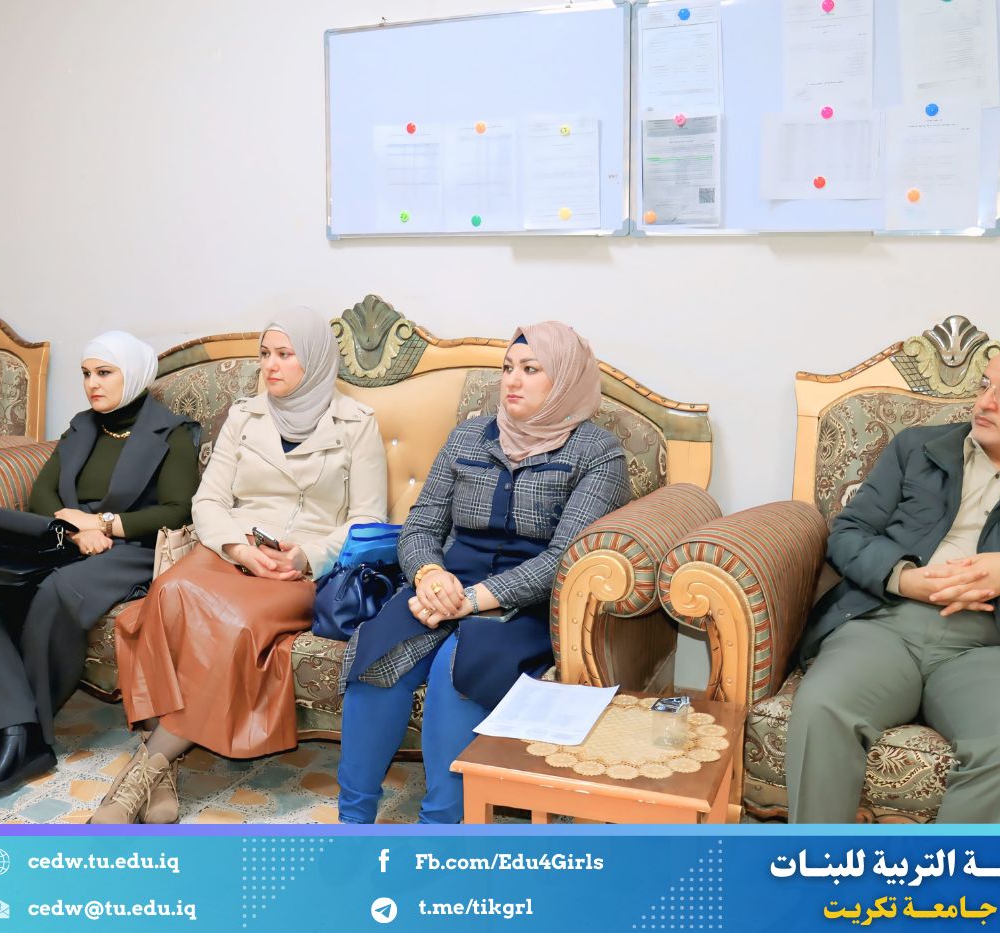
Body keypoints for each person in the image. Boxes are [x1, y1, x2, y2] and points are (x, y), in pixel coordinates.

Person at [788, 348, 1000, 823]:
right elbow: (849, 532)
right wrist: (905, 578)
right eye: (985, 385)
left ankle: (951, 873)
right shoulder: (916, 446)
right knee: (821, 708)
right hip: (884, 623)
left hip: (991, 642)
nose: (985, 401)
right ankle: (817, 863)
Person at [97, 307, 388, 824]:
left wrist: (305, 555)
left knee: (235, 624)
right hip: (233, 548)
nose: (270, 365)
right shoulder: (244, 415)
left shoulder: (356, 424)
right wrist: (237, 548)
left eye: (285, 354)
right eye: (265, 354)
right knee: (169, 592)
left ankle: (141, 774)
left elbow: (368, 520)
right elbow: (208, 501)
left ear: (315, 359)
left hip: (298, 567)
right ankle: (161, 771)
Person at [336, 322, 632, 824]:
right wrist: (429, 574)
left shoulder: (597, 454)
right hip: (443, 585)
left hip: (527, 604)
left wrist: (472, 601)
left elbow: (561, 560)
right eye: (508, 368)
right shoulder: (468, 437)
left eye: (531, 369)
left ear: (564, 379)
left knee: (461, 669)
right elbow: (421, 526)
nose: (512, 380)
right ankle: (353, 819)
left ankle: (441, 828)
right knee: (377, 652)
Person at [0, 331, 199, 795]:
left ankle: (21, 736)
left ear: (134, 375)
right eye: (86, 373)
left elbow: (178, 510)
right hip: (68, 541)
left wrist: (104, 524)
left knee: (58, 590)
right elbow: (42, 492)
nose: (92, 384)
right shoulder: (81, 426)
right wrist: (77, 530)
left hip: (134, 550)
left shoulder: (173, 432)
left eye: (105, 373)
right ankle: (12, 728)